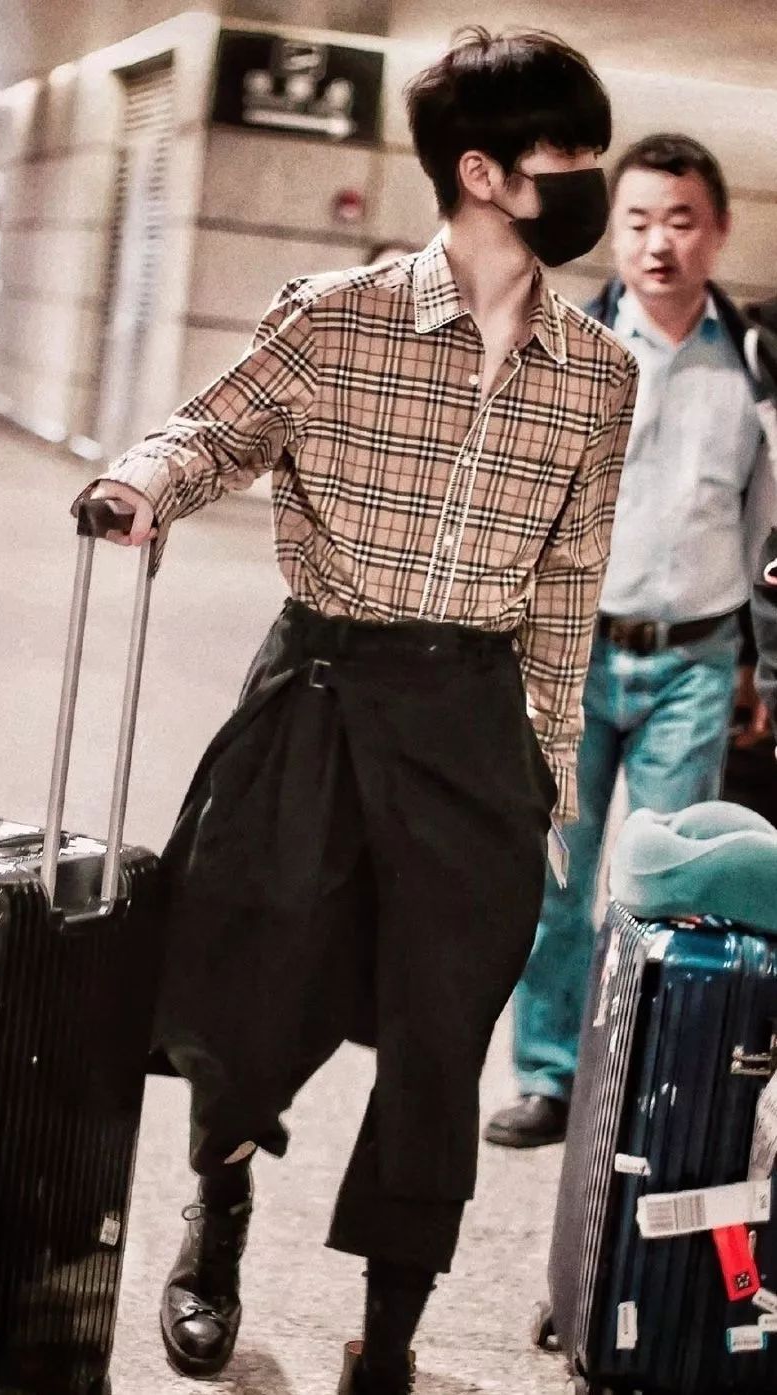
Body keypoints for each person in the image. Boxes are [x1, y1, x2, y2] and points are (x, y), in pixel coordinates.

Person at [77, 29, 637, 1394]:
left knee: (440, 1047)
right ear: (481, 172)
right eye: (567, 156)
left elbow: (569, 581)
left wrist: (550, 771)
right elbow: (215, 430)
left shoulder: (597, 374)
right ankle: (218, 1205)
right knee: (241, 991)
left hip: (472, 722)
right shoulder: (333, 314)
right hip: (317, 699)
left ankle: (387, 1337)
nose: (590, 180)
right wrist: (141, 482)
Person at [487, 133, 774, 1151]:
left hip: (694, 658)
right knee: (558, 877)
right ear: (613, 231)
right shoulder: (567, 343)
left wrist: (758, 662)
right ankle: (548, 1074)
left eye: (680, 220)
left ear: (718, 230)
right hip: (571, 651)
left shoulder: (754, 364)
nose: (658, 243)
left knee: (665, 883)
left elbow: (764, 524)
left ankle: (641, 1078)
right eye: (638, 220)